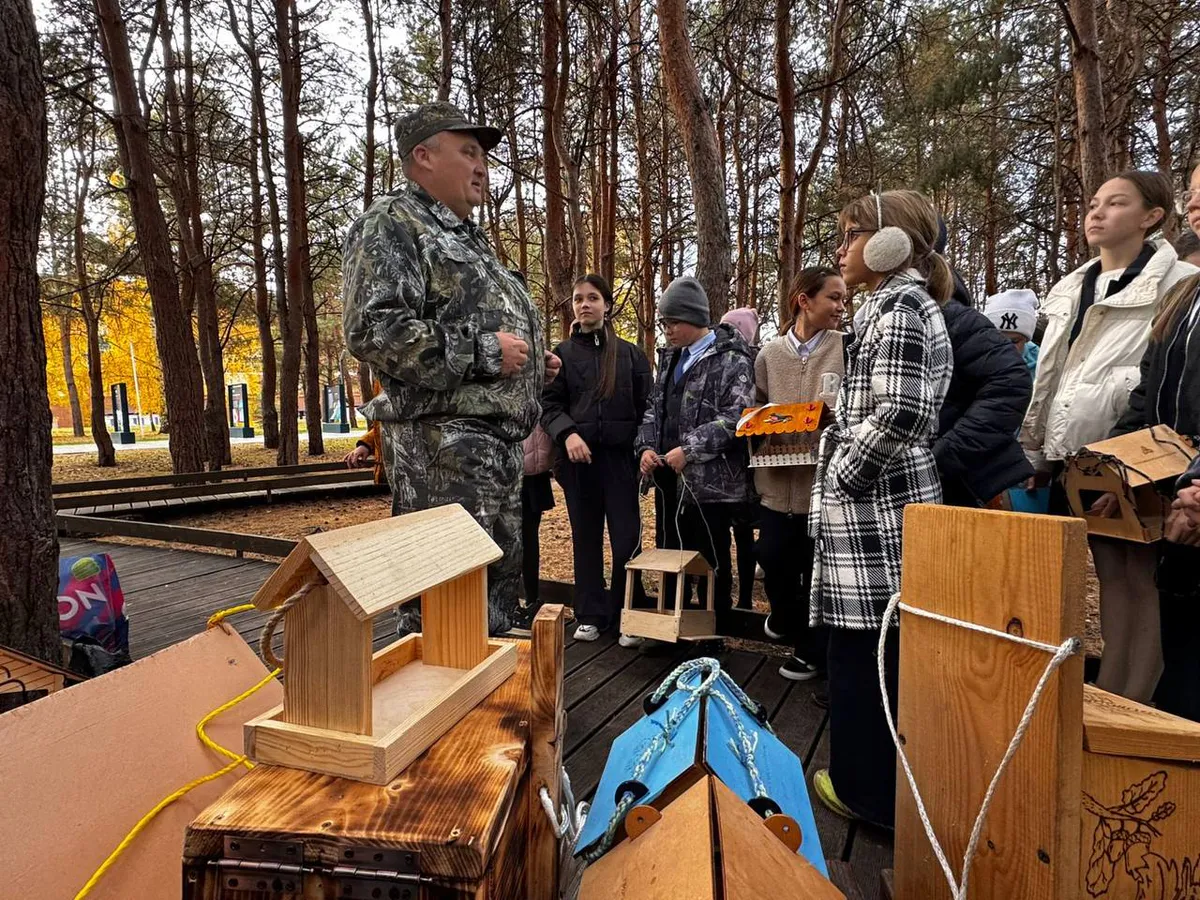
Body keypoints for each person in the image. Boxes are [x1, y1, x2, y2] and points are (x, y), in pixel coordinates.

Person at [342, 101, 559, 636]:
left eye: (483, 154)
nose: (482, 166)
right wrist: (486, 352)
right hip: (442, 449)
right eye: (467, 151)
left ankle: (486, 713)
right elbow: (373, 329)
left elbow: (472, 322)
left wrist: (533, 364)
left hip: (491, 448)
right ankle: (438, 714)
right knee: (444, 611)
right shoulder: (392, 223)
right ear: (423, 156)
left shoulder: (466, 238)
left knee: (489, 604)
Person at [1021, 168, 1196, 703]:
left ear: (1152, 217)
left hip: (1149, 458)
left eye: (1115, 204)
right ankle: (1109, 688)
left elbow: (1153, 380)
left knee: (1144, 582)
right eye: (1094, 202)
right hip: (1082, 458)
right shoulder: (1071, 286)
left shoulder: (1176, 283)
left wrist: (1125, 457)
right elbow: (1051, 376)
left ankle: (1134, 700)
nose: (1096, 212)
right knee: (1110, 578)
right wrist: (1038, 448)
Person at [808, 189, 953, 829]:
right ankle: (879, 787)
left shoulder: (896, 306)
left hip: (875, 519)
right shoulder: (898, 305)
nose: (840, 250)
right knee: (874, 653)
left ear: (891, 242)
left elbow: (901, 412)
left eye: (852, 233)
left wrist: (844, 473)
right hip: (879, 516)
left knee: (866, 657)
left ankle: (865, 792)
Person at [1107, 163, 1200, 718]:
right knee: (1181, 663)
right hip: (1171, 506)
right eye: (1193, 194)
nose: (1196, 205)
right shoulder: (1185, 300)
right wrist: (1113, 470)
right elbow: (1146, 395)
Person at [542, 274, 653, 644]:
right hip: (579, 466)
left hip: (622, 463)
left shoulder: (631, 354)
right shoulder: (562, 356)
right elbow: (549, 405)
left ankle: (629, 615)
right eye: (577, 299)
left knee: (626, 541)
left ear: (606, 305)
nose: (584, 304)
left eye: (592, 298)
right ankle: (589, 612)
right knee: (585, 539)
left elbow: (646, 408)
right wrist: (568, 433)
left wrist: (642, 451)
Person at [637, 276, 755, 620]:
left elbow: (737, 418)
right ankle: (671, 625)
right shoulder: (671, 359)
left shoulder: (732, 360)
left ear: (695, 319)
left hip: (710, 485)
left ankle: (711, 630)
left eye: (673, 322)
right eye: (664, 322)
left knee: (709, 557)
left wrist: (688, 450)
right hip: (666, 478)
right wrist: (645, 447)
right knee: (670, 552)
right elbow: (652, 408)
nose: (667, 329)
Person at [753, 266, 846, 680]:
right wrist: (759, 430)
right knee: (772, 558)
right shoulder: (769, 355)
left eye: (844, 298)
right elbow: (754, 411)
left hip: (822, 489)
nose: (842, 307)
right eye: (833, 298)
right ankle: (786, 617)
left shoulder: (847, 349)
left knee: (816, 573)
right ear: (803, 300)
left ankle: (810, 653)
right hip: (775, 486)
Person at [720, 306, 761, 610]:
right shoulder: (738, 360)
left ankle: (744, 598)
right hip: (731, 464)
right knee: (736, 537)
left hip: (746, 467)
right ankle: (737, 598)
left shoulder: (755, 363)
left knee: (742, 537)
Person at [984, 288, 1040, 376]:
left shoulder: (1041, 364)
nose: (1006, 347)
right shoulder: (974, 360)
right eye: (999, 339)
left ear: (1026, 340)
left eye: (1015, 341)